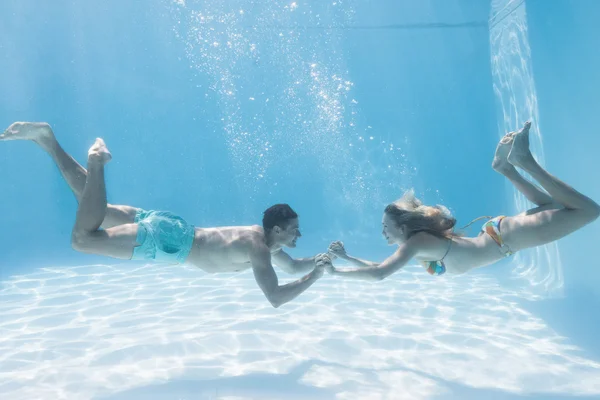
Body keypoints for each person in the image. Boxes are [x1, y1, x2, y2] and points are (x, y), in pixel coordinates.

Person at [1, 122, 332, 308]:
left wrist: (321, 261)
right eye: (294, 230)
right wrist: (315, 279)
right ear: (275, 229)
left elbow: (293, 266)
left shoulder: (268, 247)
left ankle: (47, 140)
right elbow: (275, 296)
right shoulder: (258, 249)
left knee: (96, 207)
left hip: (174, 227)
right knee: (83, 240)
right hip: (170, 242)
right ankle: (97, 161)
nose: (298, 236)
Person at [326, 121, 600, 279]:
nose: (382, 231)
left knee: (587, 211)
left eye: (385, 226)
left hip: (505, 239)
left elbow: (380, 274)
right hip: (498, 235)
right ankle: (507, 168)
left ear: (403, 227)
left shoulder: (416, 242)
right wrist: (346, 258)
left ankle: (524, 162)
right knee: (555, 207)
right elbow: (378, 267)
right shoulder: (414, 246)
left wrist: (336, 274)